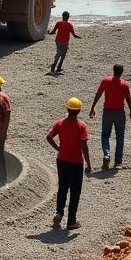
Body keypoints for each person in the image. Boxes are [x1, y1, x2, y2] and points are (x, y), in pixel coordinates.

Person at [46, 97, 92, 230]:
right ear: (78, 111)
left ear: (67, 109)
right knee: (75, 192)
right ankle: (71, 221)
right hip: (76, 162)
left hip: (61, 160)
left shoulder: (59, 123)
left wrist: (57, 148)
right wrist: (88, 164)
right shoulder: (81, 126)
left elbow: (49, 137)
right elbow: (84, 147)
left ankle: (59, 213)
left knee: (62, 187)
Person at [89, 64, 131, 170]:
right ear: (122, 72)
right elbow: (128, 98)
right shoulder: (125, 84)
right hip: (120, 113)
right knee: (120, 136)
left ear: (113, 71)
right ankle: (118, 162)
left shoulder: (106, 81)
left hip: (107, 112)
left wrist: (93, 107)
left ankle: (106, 154)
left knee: (105, 135)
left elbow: (98, 94)